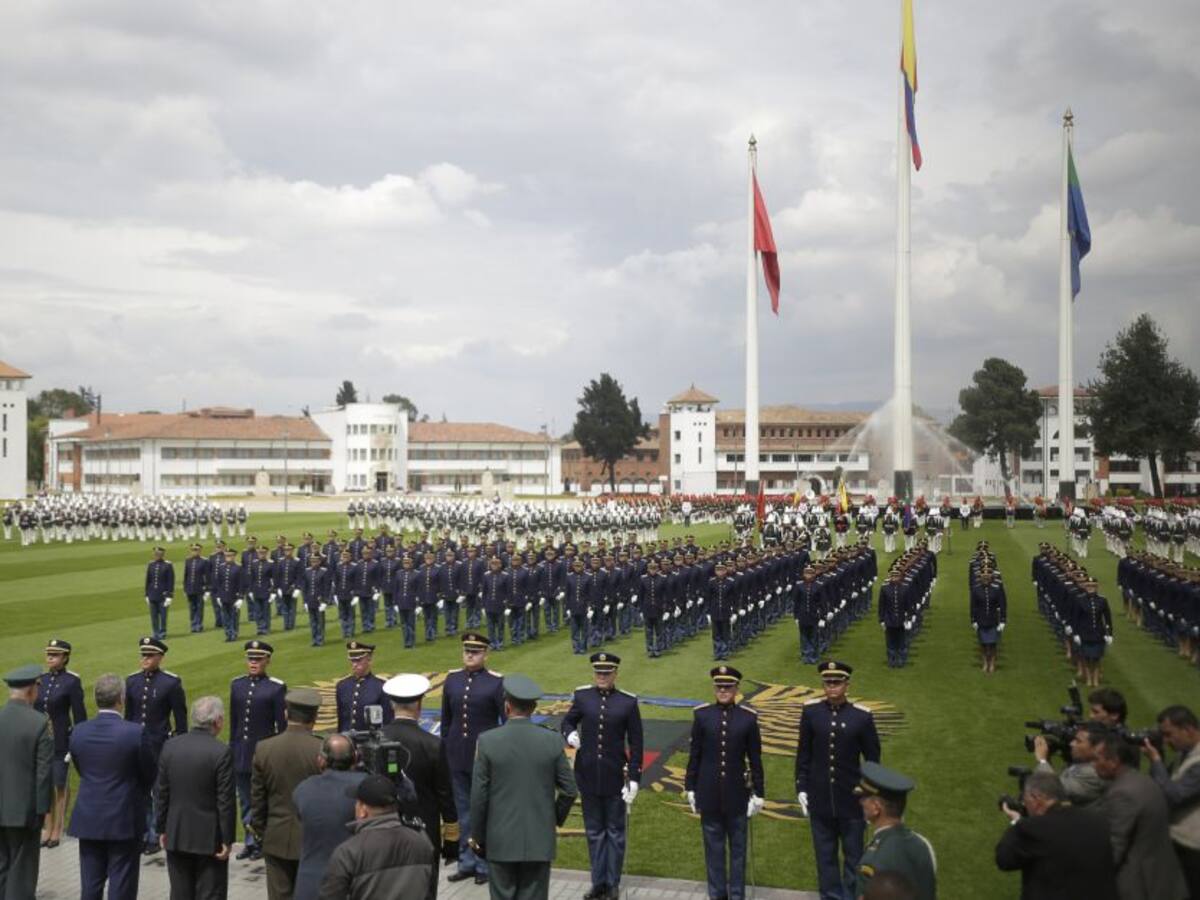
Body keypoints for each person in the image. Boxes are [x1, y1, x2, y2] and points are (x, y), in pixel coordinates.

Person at [469, 674, 578, 900]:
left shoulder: (488, 741)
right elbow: (569, 790)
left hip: (500, 841)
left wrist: (477, 836)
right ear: (534, 707)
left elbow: (479, 796)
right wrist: (552, 818)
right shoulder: (552, 740)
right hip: (539, 840)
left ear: (507, 706)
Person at [560, 653, 644, 900]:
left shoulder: (627, 702)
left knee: (616, 833)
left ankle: (613, 882)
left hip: (616, 777)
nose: (602, 677)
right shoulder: (583, 697)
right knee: (595, 832)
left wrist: (636, 778)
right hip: (588, 775)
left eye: (607, 673)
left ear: (615, 674)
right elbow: (567, 722)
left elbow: (637, 743)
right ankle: (598, 882)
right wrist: (569, 734)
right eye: (598, 672)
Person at [795, 660, 881, 900]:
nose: (832, 687)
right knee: (825, 857)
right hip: (820, 798)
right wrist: (802, 787)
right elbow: (804, 754)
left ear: (847, 685)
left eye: (837, 682)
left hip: (852, 800)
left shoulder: (861, 717)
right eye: (828, 682)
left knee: (854, 858)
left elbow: (873, 760)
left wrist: (868, 792)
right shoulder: (811, 713)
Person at [68, 672, 157, 900]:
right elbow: (149, 774)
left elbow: (82, 769)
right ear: (121, 699)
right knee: (122, 885)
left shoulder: (79, 731)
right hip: (123, 818)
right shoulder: (134, 732)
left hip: (89, 817)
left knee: (90, 885)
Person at [684, 665, 765, 900]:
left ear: (736, 689)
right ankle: (717, 894)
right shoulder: (702, 715)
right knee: (714, 849)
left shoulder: (748, 719)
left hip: (737, 793)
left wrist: (759, 792)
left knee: (738, 850)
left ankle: (737, 895)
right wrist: (689, 786)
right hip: (708, 792)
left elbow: (755, 758)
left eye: (728, 686)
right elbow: (695, 754)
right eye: (719, 686)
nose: (723, 690)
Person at [155, 695, 236, 900]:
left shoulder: (171, 747)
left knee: (180, 894)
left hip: (177, 834)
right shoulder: (221, 751)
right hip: (209, 840)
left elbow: (162, 793)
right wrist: (227, 839)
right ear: (217, 721)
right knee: (210, 894)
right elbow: (225, 800)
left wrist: (162, 828)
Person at [442, 632, 506, 885]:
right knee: (463, 811)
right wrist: (446, 747)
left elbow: (504, 722)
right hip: (457, 754)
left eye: (476, 651)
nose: (470, 655)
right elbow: (447, 720)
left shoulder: (495, 683)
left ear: (485, 654)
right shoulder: (453, 680)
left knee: (483, 812)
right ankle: (466, 862)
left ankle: (483, 864)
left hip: (484, 758)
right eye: (467, 650)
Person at [1093, 729, 1188, 900]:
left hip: (1142, 888)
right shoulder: (1143, 781)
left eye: (1097, 759)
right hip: (1163, 881)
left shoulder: (1122, 794)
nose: (1094, 764)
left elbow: (1113, 849)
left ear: (1114, 762)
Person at [994, 769, 1118, 900]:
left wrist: (1016, 821)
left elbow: (1004, 859)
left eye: (1026, 800)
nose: (1026, 806)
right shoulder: (1098, 821)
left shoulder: (1032, 828)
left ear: (1036, 798)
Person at [250, 688, 324, 900]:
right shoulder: (322, 749)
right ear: (315, 717)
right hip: (313, 841)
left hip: (276, 837)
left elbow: (258, 799)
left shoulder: (264, 748)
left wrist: (262, 832)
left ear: (285, 714)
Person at [380, 674, 459, 867]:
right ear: (419, 705)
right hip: (424, 831)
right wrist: (451, 839)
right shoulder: (433, 744)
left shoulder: (376, 740)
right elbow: (445, 795)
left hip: (382, 830)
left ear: (391, 705)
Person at [317, 774, 437, 900]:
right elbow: (430, 893)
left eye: (357, 803)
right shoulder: (422, 843)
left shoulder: (348, 853)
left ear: (363, 810)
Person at [125, 636, 188, 855]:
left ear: (160, 657)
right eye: (143, 654)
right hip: (135, 745)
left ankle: (155, 833)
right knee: (138, 790)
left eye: (150, 655)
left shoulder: (170, 683)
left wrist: (179, 743)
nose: (145, 659)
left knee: (158, 791)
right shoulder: (132, 681)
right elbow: (128, 717)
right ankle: (141, 832)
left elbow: (180, 718)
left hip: (158, 744)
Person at [230, 640, 287, 863]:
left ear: (267, 660)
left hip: (263, 753)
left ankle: (263, 841)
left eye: (258, 659)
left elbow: (281, 726)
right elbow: (235, 723)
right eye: (250, 659)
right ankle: (250, 842)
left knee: (263, 800)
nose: (253, 663)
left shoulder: (275, 687)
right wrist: (233, 749)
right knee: (245, 800)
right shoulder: (237, 685)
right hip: (242, 753)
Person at [0, 664, 53, 900]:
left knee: (2, 866)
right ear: (32, 689)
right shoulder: (39, 722)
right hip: (24, 812)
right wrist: (42, 811)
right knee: (22, 873)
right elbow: (43, 774)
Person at [293, 735, 367, 900]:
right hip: (352, 884)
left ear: (320, 760)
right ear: (355, 758)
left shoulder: (304, 789)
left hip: (310, 885)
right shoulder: (366, 786)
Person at [853, 762, 936, 900]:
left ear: (876, 808)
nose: (860, 802)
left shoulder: (873, 859)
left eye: (864, 797)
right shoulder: (923, 845)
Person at [34, 638, 87, 850]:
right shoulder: (41, 680)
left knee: (59, 785)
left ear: (65, 657)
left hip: (61, 741)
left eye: (55, 655)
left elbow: (79, 716)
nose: (50, 658)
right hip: (41, 742)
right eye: (48, 654)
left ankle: (58, 827)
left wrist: (76, 742)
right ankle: (46, 827)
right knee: (43, 785)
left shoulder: (72, 682)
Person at [1143, 705, 1200, 897]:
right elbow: (1161, 784)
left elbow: (1173, 796)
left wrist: (1156, 761)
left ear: (1188, 730)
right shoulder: (1184, 753)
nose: (1167, 741)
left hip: (1193, 849)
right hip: (1179, 842)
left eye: (1169, 734)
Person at [1031, 721, 1108, 807]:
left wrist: (1042, 760)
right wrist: (1048, 758)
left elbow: (1055, 789)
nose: (1072, 744)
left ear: (1097, 748)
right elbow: (1058, 780)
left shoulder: (1093, 774)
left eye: (1078, 741)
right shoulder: (1081, 762)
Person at [335, 641, 394, 733]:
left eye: (358, 660)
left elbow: (388, 720)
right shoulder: (342, 686)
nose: (354, 664)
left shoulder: (381, 686)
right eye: (352, 660)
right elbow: (341, 720)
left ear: (369, 659)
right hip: (347, 741)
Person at [146, 545, 176, 641]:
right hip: (152, 594)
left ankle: (162, 632)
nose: (157, 555)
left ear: (162, 554)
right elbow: (148, 580)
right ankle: (155, 633)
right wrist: (146, 594)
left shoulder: (167, 565)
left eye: (159, 554)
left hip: (163, 595)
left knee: (163, 616)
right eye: (155, 554)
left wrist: (169, 595)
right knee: (153, 616)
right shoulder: (151, 565)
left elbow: (171, 581)